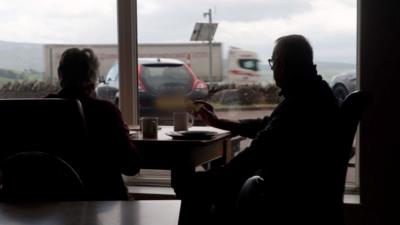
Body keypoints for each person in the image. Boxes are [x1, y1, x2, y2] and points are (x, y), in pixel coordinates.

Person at [178, 35, 341, 225]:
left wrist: (221, 175)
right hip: (308, 193)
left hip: (285, 196)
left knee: (195, 186)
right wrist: (219, 122)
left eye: (273, 63)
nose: (273, 70)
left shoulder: (300, 104)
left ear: (282, 65)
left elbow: (258, 151)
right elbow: (267, 126)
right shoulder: (316, 93)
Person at [47, 48, 140, 200]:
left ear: (60, 75)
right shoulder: (105, 111)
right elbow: (131, 166)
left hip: (54, 200)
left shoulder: (42, 108)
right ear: (92, 77)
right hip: (102, 199)